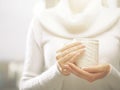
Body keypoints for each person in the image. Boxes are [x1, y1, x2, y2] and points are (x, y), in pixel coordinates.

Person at [19, 0, 120, 90]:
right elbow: (25, 86)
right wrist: (56, 72)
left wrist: (110, 73)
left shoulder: (117, 19)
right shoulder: (40, 21)